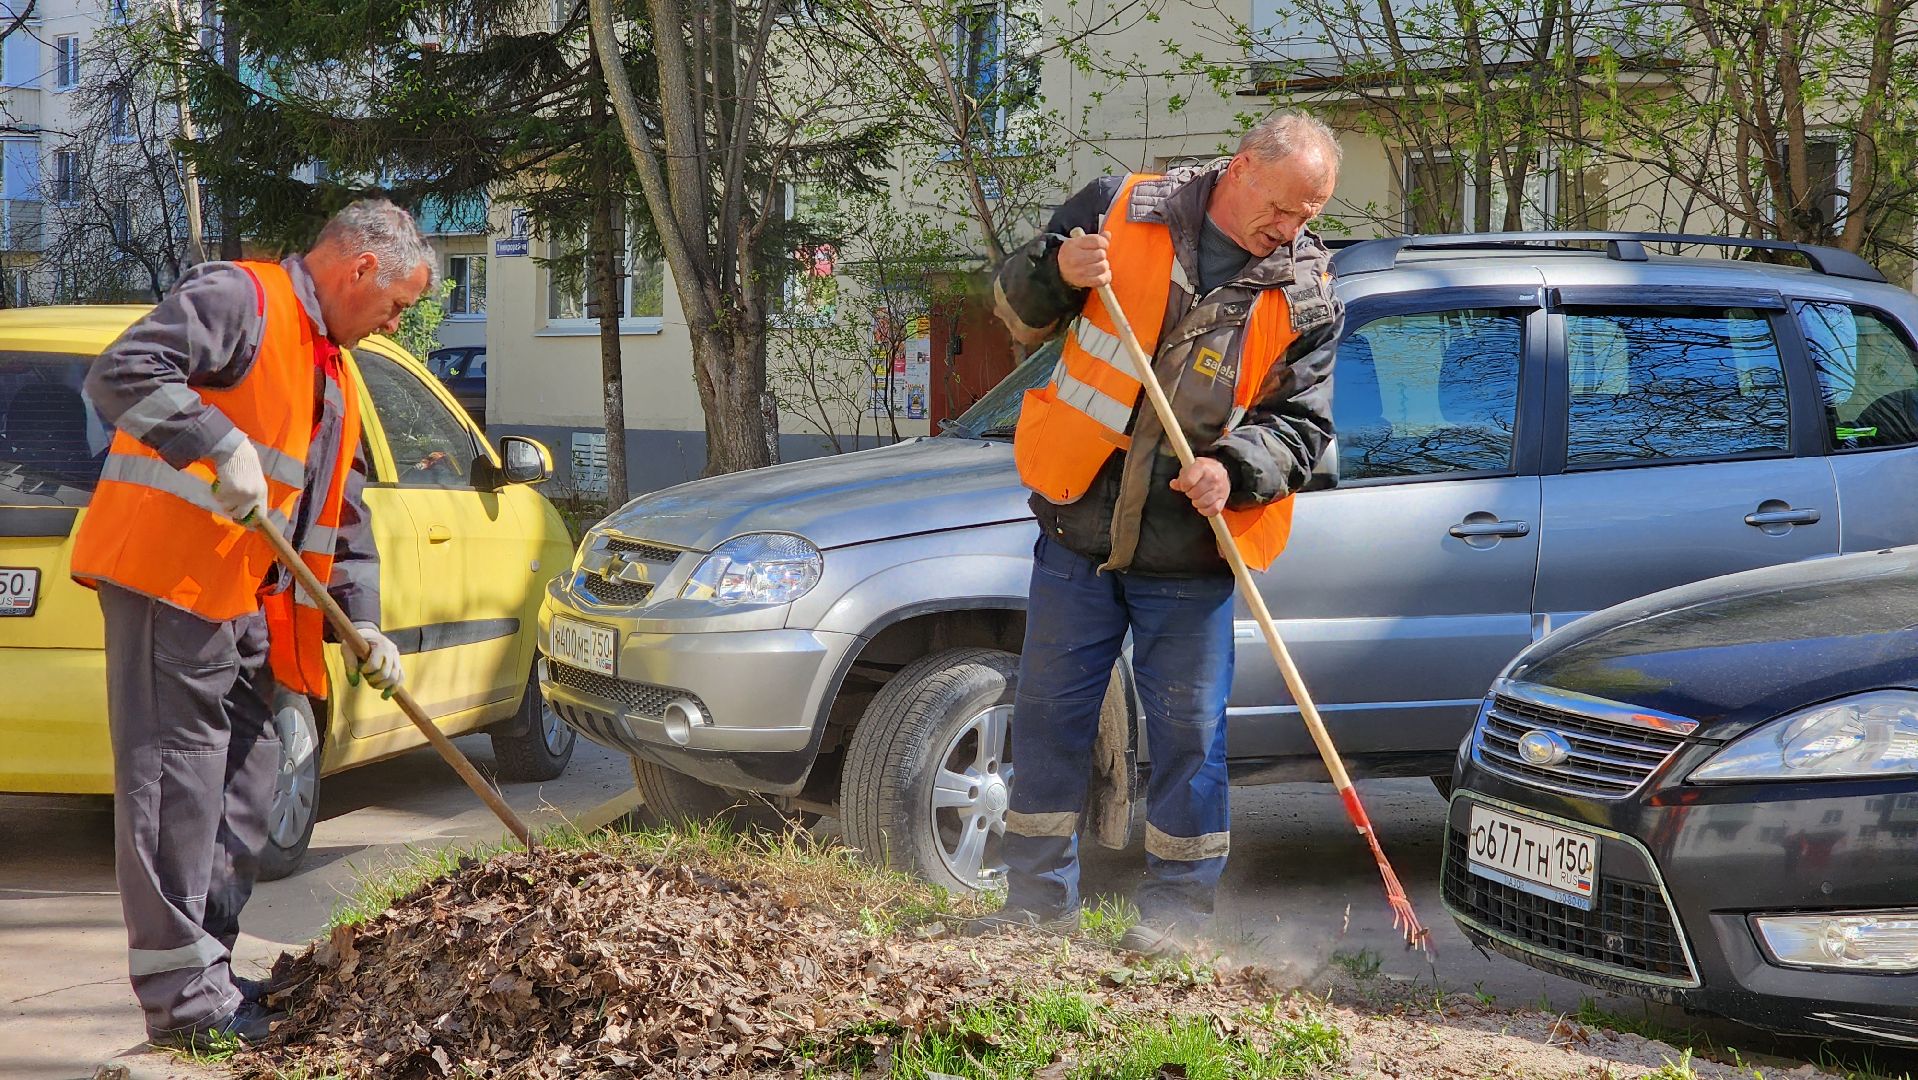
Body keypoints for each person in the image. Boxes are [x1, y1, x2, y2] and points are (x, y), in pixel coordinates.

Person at [69, 199, 436, 1049]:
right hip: (169, 585)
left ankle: (211, 973)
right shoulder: (242, 300)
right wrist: (212, 439)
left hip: (240, 603)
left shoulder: (332, 373)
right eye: (397, 305)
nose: (394, 324)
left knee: (248, 782)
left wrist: (365, 627)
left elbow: (338, 517)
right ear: (358, 271)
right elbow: (121, 373)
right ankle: (183, 1008)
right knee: (175, 791)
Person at [979, 111, 1344, 956]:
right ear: (1243, 166)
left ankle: (1177, 918)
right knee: (1050, 723)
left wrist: (1236, 468)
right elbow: (1015, 308)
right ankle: (1034, 907)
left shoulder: (1306, 291)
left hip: (1190, 556)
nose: (1291, 231)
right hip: (1079, 530)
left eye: (1308, 217)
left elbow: (1302, 427)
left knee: (1190, 740)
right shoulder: (1119, 207)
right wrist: (1058, 270)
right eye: (1285, 209)